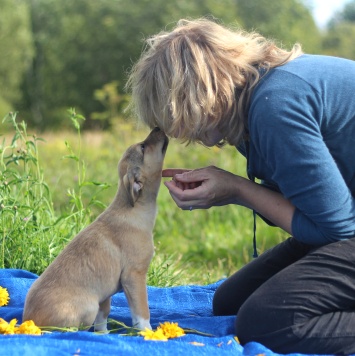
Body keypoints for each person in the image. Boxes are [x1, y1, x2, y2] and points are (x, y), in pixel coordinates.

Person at [125, 18, 355, 354]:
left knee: (267, 322)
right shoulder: (256, 98)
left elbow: (336, 229)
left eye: (181, 116)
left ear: (203, 93)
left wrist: (237, 189)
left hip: (343, 230)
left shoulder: (275, 106)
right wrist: (232, 190)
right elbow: (311, 205)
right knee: (231, 301)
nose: (181, 134)